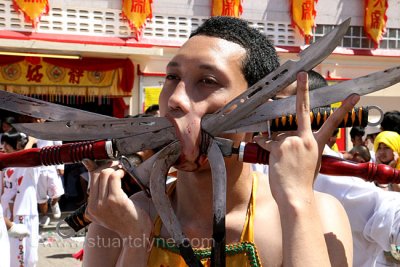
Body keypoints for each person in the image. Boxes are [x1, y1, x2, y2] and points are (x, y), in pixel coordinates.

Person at [82, 16, 355, 266]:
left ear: (262, 110)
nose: (175, 100)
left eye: (207, 80)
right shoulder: (118, 217)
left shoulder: (317, 214)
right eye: (172, 77)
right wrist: (136, 239)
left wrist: (296, 202)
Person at [1, 130, 40, 267]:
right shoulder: (5, 164)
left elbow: (26, 157)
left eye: (6, 144)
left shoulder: (28, 164)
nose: (3, 147)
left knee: (26, 254)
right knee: (12, 253)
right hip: (8, 214)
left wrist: (30, 142)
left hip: (24, 212)